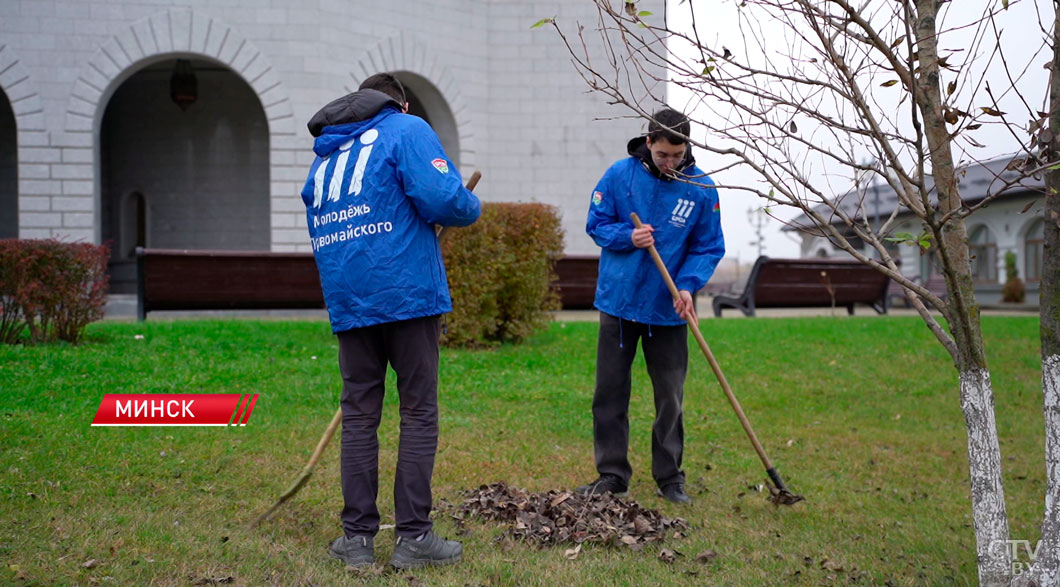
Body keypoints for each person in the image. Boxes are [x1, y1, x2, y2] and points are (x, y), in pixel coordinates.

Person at [300, 73, 481, 569]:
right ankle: (414, 537)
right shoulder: (406, 128)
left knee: (360, 414)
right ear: (397, 103)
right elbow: (445, 199)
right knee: (418, 411)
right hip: (407, 294)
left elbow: (315, 209)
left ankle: (356, 541)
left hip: (350, 297)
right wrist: (469, 206)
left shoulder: (328, 153)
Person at [576, 107, 725, 504]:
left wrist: (689, 286)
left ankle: (670, 476)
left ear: (687, 148)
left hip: (669, 309)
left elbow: (708, 247)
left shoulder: (701, 189)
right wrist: (629, 236)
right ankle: (611, 474)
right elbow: (596, 224)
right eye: (662, 155)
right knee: (609, 393)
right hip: (619, 303)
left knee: (670, 397)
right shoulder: (619, 176)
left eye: (677, 156)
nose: (670, 163)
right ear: (649, 142)